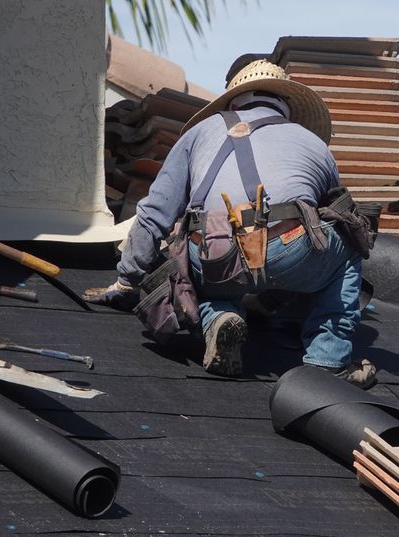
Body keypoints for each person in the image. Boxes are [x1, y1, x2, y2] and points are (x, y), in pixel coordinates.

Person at [84, 60, 376, 388]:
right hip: (289, 245)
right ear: (285, 108)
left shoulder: (200, 133)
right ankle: (328, 360)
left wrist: (127, 280)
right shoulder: (313, 144)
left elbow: (154, 213)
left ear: (234, 102)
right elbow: (328, 218)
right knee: (348, 250)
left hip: (212, 252)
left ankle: (219, 317)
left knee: (191, 275)